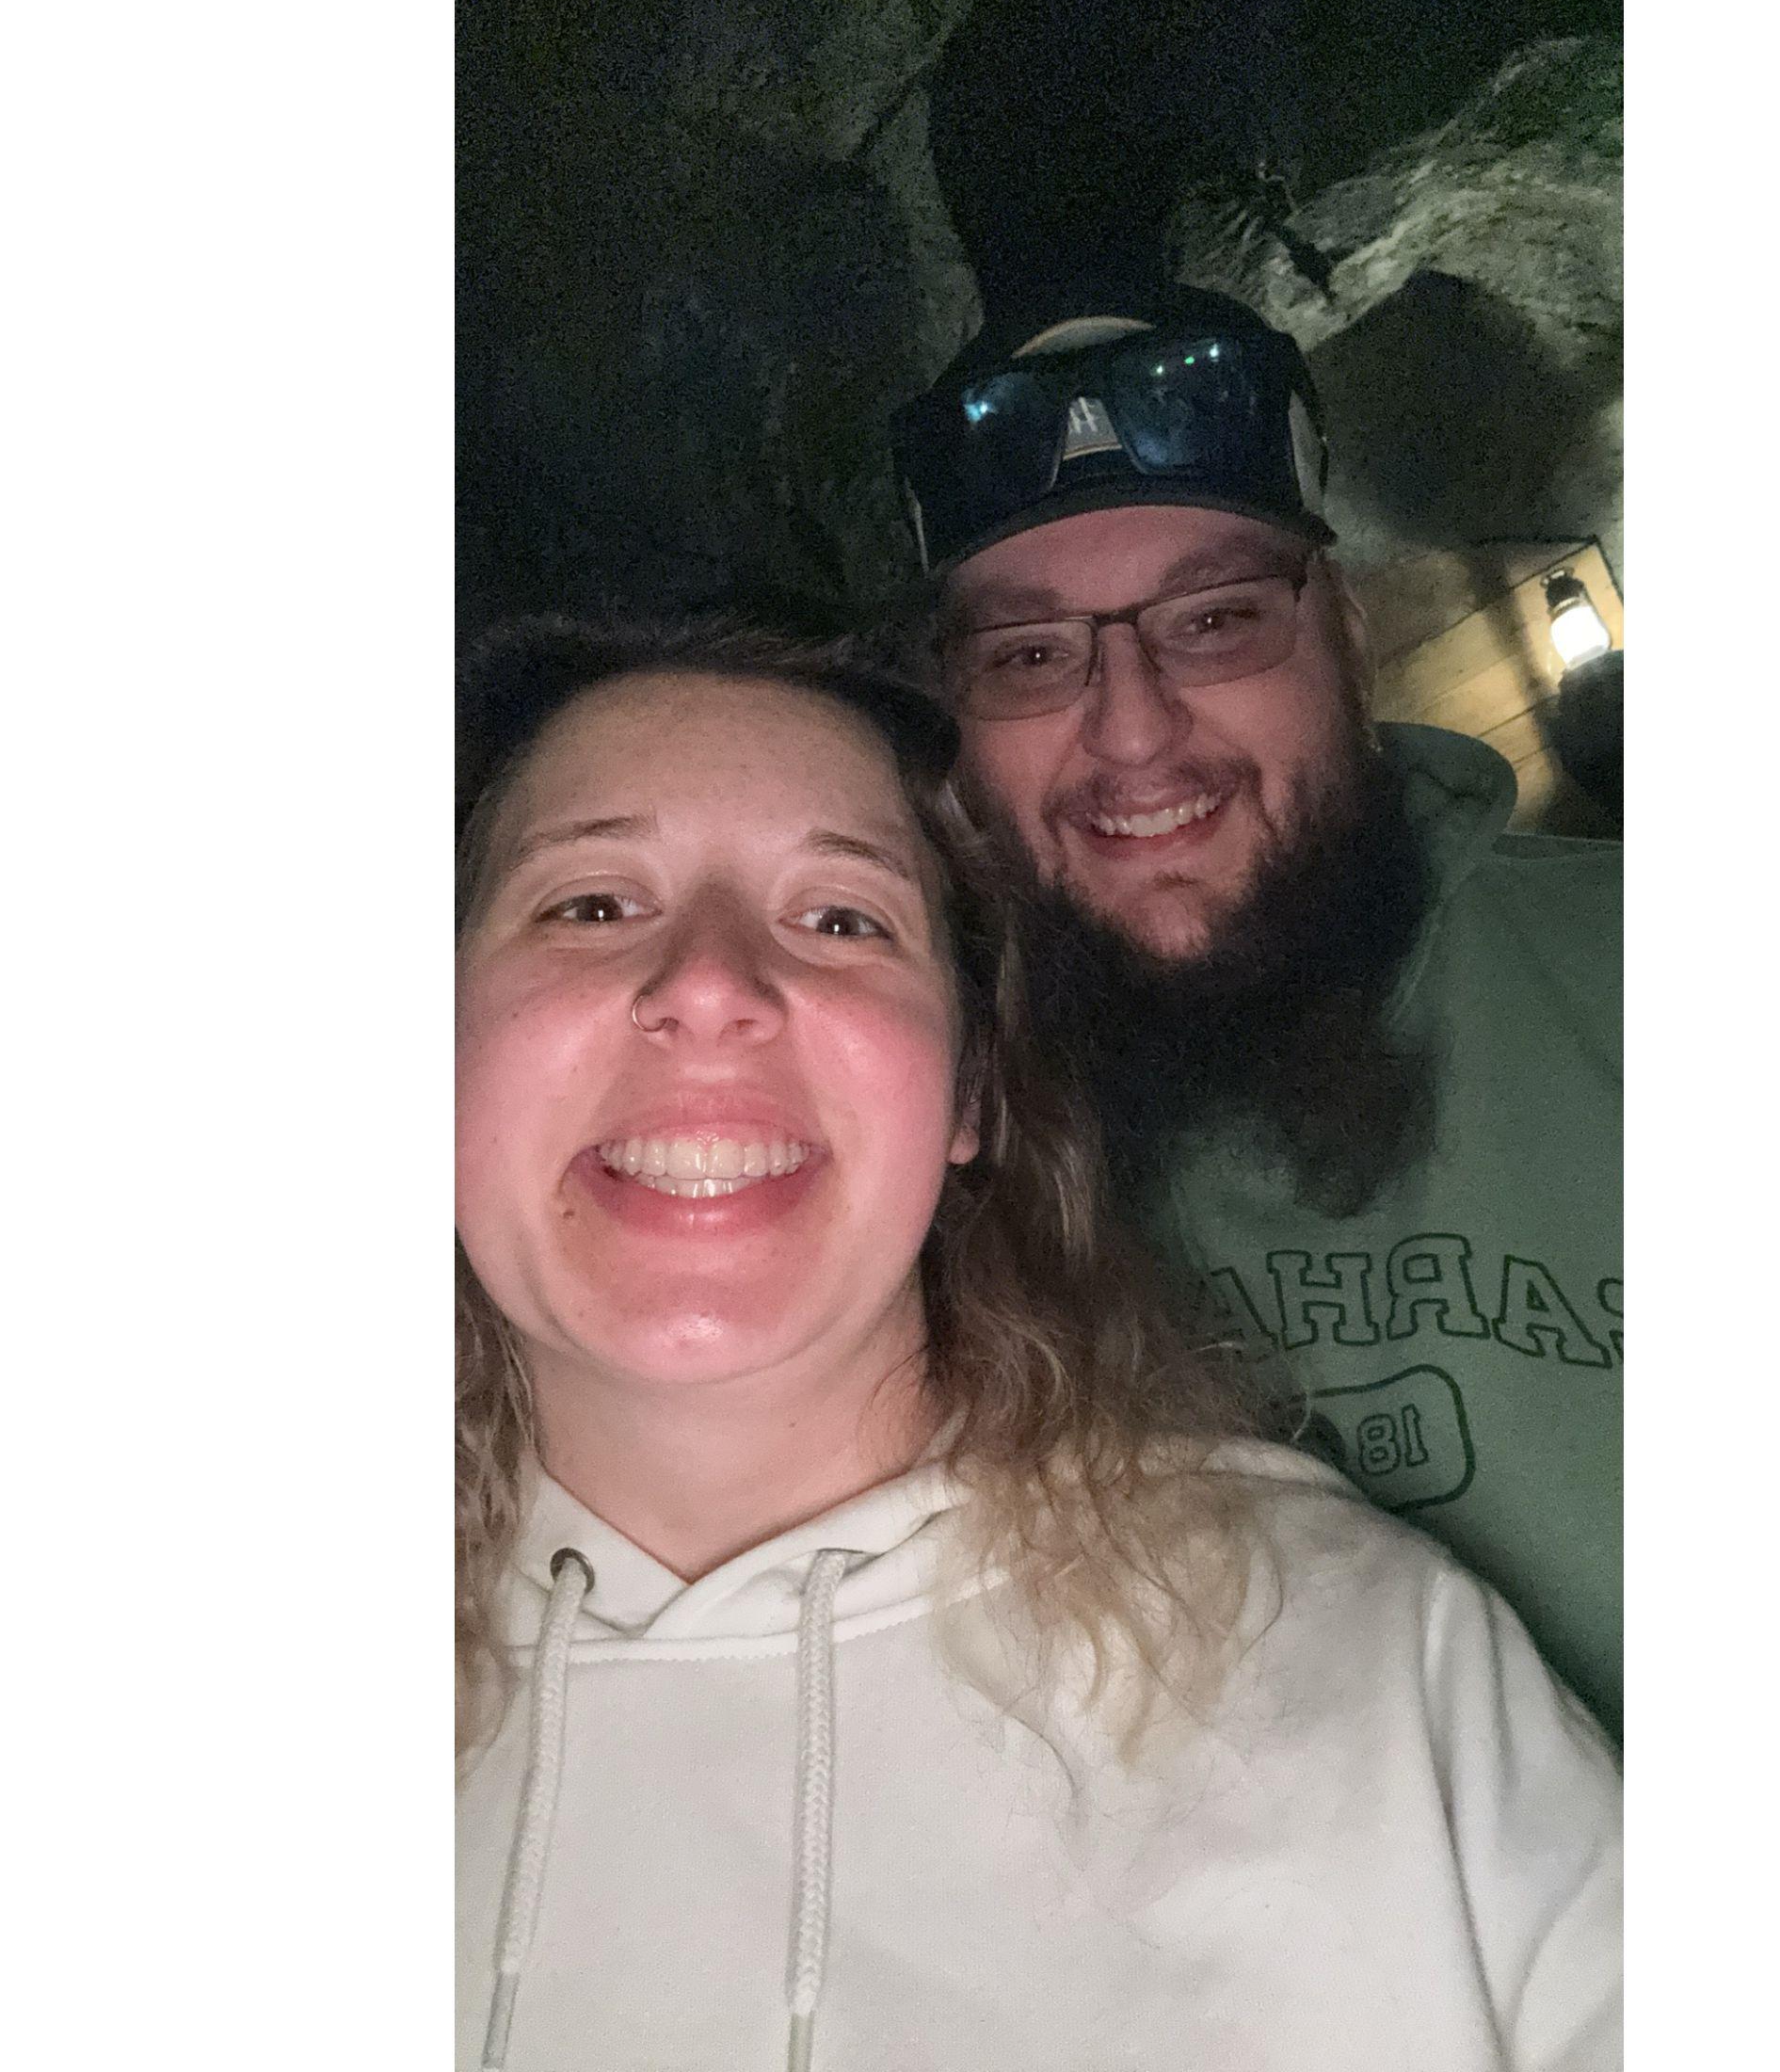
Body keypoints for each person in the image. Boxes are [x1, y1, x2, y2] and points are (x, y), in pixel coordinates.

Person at [453, 608, 1620, 2070]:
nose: (709, 984)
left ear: (968, 1094)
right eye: (590, 904)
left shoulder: (1377, 1671)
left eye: (841, 918)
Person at [891, 285, 1624, 1737]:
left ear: (1345, 638)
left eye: (1216, 621)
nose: (1134, 728)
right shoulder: (891, 1153)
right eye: (1031, 655)